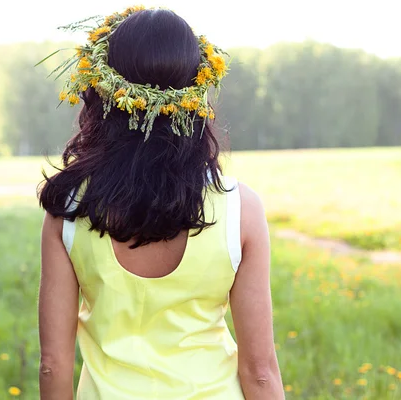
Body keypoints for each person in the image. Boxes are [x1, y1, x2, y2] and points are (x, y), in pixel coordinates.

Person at [37, 6, 284, 400]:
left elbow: (53, 363)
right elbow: (260, 372)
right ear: (196, 94)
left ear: (101, 91)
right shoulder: (242, 210)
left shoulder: (68, 211)